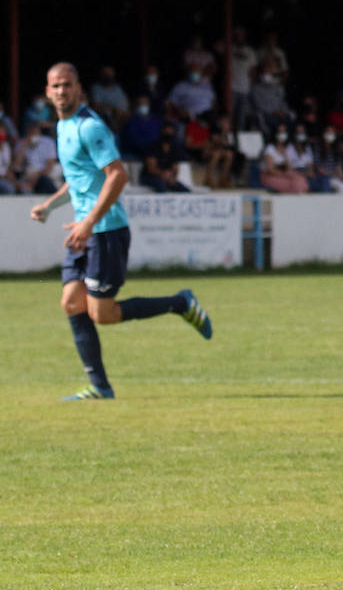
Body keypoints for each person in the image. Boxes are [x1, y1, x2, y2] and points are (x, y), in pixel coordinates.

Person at [31, 63, 212, 402]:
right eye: (55, 85)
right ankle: (100, 387)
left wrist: (88, 222)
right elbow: (79, 180)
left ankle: (180, 303)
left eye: (66, 85)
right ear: (47, 91)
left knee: (104, 314)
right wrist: (49, 206)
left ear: (79, 88)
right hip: (83, 231)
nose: (60, 91)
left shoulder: (89, 127)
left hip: (106, 231)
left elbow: (117, 176)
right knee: (71, 303)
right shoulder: (62, 126)